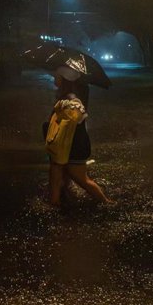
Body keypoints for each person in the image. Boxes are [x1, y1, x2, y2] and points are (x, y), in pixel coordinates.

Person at [45, 66, 113, 207]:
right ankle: (55, 201)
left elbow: (74, 119)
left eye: (57, 76)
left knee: (79, 177)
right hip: (63, 142)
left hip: (74, 144)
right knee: (57, 171)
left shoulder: (72, 99)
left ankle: (106, 202)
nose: (54, 78)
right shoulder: (65, 95)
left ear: (64, 79)